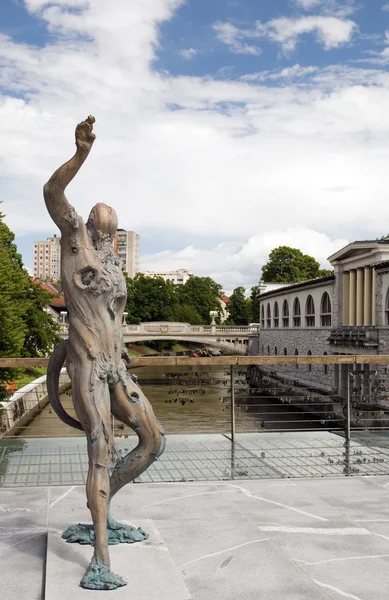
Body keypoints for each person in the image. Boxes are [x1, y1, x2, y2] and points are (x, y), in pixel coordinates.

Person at [44, 116, 165, 590]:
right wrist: (80, 156)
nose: (108, 235)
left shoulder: (114, 265)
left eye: (113, 231)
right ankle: (99, 555)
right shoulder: (74, 241)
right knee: (101, 447)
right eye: (103, 226)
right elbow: (54, 194)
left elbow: (117, 316)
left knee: (154, 441)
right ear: (88, 224)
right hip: (88, 361)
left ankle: (102, 506)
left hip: (117, 365)